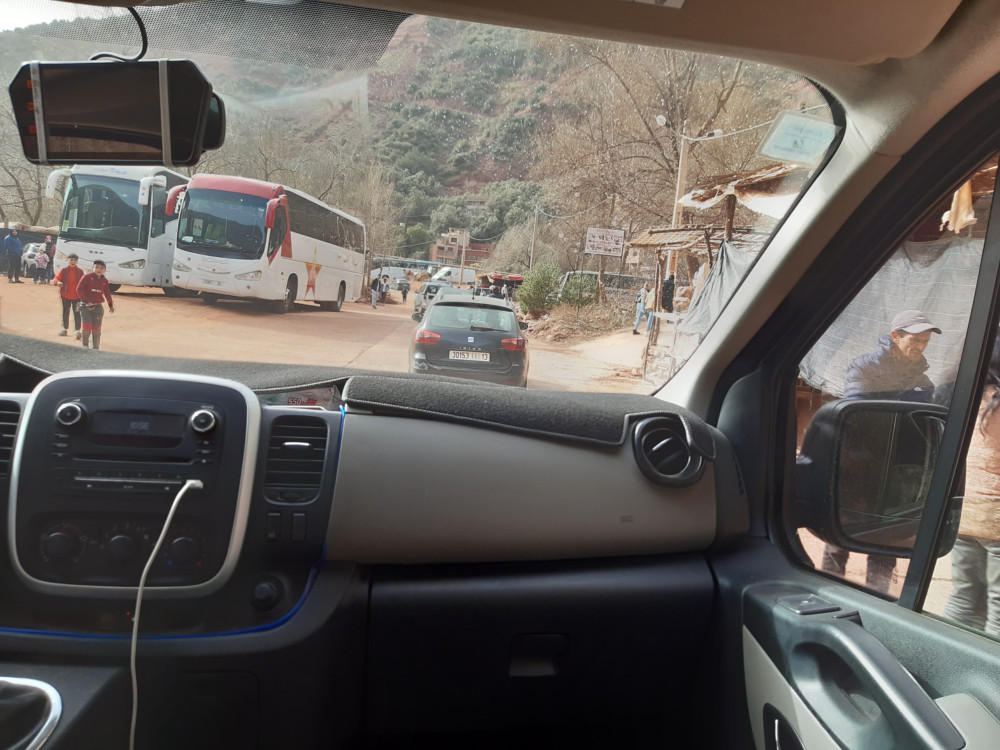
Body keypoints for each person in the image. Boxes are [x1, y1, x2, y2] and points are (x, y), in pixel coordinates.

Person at [822, 309, 943, 592]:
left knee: (885, 542)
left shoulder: (924, 382)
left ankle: (878, 598)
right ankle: (828, 591)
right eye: (915, 339)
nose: (921, 346)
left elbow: (924, 428)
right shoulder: (865, 367)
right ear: (895, 336)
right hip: (858, 467)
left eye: (925, 341)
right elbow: (859, 414)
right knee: (840, 536)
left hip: (895, 474)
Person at [943, 334, 1000, 637]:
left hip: (963, 511)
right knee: (998, 606)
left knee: (964, 598)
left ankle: (946, 658)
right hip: (995, 518)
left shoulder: (964, 395)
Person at [76, 260, 115, 350]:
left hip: (98, 307)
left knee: (96, 328)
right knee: (86, 327)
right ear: (92, 268)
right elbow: (79, 289)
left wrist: (111, 305)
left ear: (105, 270)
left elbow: (107, 294)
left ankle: (95, 347)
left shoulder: (105, 281)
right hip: (85, 306)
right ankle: (85, 345)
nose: (99, 270)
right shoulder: (87, 277)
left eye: (101, 268)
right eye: (96, 267)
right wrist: (86, 301)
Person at [54, 253, 85, 339]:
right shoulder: (63, 271)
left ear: (77, 262)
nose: (73, 262)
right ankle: (64, 329)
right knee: (65, 311)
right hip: (65, 295)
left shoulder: (80, 272)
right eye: (71, 260)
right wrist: (58, 282)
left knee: (77, 312)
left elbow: (84, 282)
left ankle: (77, 330)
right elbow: (56, 279)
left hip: (77, 297)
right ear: (68, 260)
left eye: (75, 260)